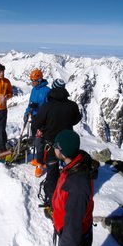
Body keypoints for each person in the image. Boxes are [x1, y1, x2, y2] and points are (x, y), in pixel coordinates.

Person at [34, 79, 82, 207]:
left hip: (51, 145)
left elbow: (37, 123)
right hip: (67, 145)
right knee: (71, 170)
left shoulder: (46, 107)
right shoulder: (72, 105)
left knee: (52, 173)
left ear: (53, 90)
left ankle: (51, 200)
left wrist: (43, 128)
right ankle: (72, 198)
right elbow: (77, 119)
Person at [52, 130, 95, 246]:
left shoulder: (77, 186)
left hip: (74, 245)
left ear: (63, 153)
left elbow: (72, 233)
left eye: (55, 146)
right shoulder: (74, 166)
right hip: (69, 232)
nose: (53, 148)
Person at [24, 69, 51, 177]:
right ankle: (39, 159)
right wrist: (27, 112)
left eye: (34, 80)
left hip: (43, 120)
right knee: (36, 140)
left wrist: (38, 107)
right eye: (31, 80)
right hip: (34, 118)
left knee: (40, 142)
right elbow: (30, 104)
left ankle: (40, 165)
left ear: (39, 80)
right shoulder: (33, 90)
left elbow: (49, 107)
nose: (32, 82)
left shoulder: (47, 91)